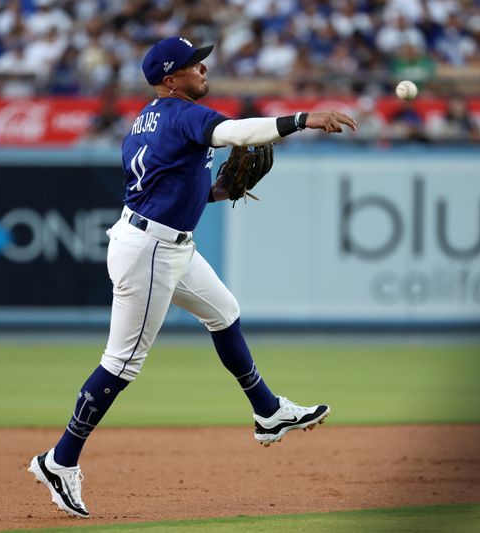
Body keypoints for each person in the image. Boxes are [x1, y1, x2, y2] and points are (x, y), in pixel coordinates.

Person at [27, 36, 357, 519]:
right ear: (169, 79)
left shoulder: (143, 122)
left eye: (200, 60)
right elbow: (238, 135)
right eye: (191, 64)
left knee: (224, 313)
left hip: (163, 241)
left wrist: (219, 192)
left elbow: (167, 187)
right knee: (121, 364)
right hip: (151, 251)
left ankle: (267, 412)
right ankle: (60, 460)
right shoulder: (185, 115)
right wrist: (303, 120)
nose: (202, 68)